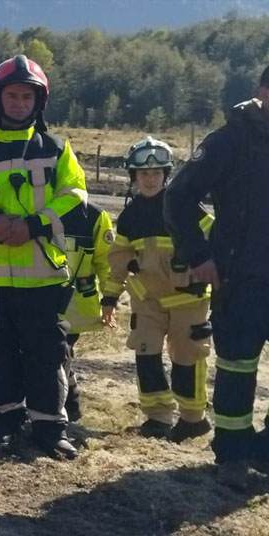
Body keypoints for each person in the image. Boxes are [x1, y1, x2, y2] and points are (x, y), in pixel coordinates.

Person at [0, 55, 86, 459]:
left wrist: (34, 226)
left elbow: (75, 197)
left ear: (38, 102)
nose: (19, 102)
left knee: (47, 351)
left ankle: (48, 427)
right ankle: (3, 420)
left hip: (42, 274)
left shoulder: (56, 149)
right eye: (12, 95)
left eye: (27, 95)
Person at [164, 66, 269, 490]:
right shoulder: (230, 141)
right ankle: (233, 453)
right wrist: (200, 254)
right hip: (242, 282)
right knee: (238, 368)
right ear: (264, 92)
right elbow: (178, 195)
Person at [102, 136, 213, 444]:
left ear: (166, 175)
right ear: (133, 177)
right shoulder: (130, 216)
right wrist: (109, 297)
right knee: (145, 353)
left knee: (187, 357)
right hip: (147, 301)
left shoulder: (186, 208)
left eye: (155, 173)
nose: (149, 179)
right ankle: (158, 418)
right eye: (142, 174)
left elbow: (215, 240)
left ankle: (193, 419)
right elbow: (118, 260)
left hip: (188, 299)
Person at [58, 200, 114, 421]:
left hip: (74, 307)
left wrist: (109, 299)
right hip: (39, 298)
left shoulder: (93, 216)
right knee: (54, 354)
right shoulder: (35, 206)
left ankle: (65, 404)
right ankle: (69, 399)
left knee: (60, 352)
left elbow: (106, 262)